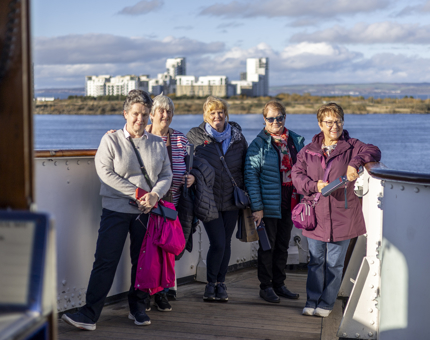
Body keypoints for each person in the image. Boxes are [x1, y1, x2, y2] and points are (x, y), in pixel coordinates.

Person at [61, 90, 172, 330]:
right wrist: (139, 193)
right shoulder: (110, 140)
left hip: (146, 213)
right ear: (125, 114)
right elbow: (105, 172)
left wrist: (154, 195)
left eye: (144, 114)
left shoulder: (156, 143)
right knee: (105, 261)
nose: (140, 119)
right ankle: (90, 315)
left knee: (143, 263)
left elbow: (166, 174)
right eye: (135, 114)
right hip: (116, 210)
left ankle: (138, 309)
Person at [291, 103, 381, 318]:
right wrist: (315, 186)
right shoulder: (308, 151)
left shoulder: (352, 146)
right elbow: (296, 175)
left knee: (334, 264)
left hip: (343, 214)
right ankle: (312, 300)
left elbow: (374, 150)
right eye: (329, 122)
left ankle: (327, 303)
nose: (335, 126)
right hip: (315, 215)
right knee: (315, 262)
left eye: (338, 121)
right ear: (320, 124)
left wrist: (355, 163)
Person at [187, 96, 248, 302]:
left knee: (226, 242)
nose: (217, 116)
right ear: (206, 115)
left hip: (231, 198)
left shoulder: (238, 138)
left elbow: (246, 166)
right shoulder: (196, 137)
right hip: (208, 199)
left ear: (226, 114)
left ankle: (221, 284)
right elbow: (188, 162)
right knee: (218, 242)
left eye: (220, 112)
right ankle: (211, 283)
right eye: (212, 112)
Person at [244, 100, 304, 303]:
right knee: (267, 247)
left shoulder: (295, 140)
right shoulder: (258, 145)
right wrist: (257, 208)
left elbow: (305, 168)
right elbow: (251, 177)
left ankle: (279, 284)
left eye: (279, 117)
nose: (275, 121)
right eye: (271, 118)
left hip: (291, 200)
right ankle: (266, 286)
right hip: (269, 202)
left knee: (283, 245)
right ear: (264, 119)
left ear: (285, 117)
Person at [145, 93, 195, 310]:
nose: (164, 115)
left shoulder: (180, 139)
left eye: (169, 111)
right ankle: (144, 294)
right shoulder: (140, 136)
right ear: (151, 114)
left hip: (172, 206)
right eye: (160, 110)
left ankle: (162, 294)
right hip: (147, 206)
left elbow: (191, 167)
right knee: (146, 252)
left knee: (166, 251)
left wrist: (193, 177)